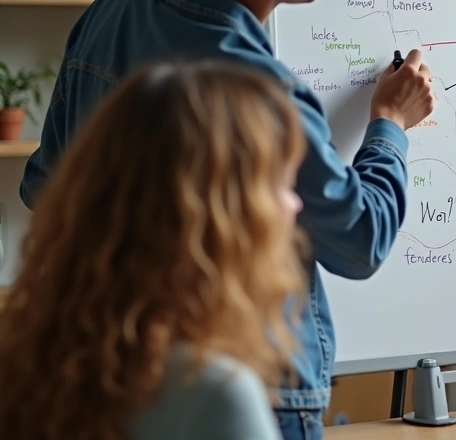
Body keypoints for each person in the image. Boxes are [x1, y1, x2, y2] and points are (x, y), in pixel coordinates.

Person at [19, 0, 434, 439]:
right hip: (249, 387)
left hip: (101, 368)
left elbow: (44, 186)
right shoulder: (262, 93)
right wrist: (390, 124)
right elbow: (358, 239)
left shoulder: (116, 6)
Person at [0, 61, 310, 440]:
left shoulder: (30, 361)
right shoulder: (215, 395)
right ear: (225, 218)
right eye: (281, 184)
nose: (296, 205)